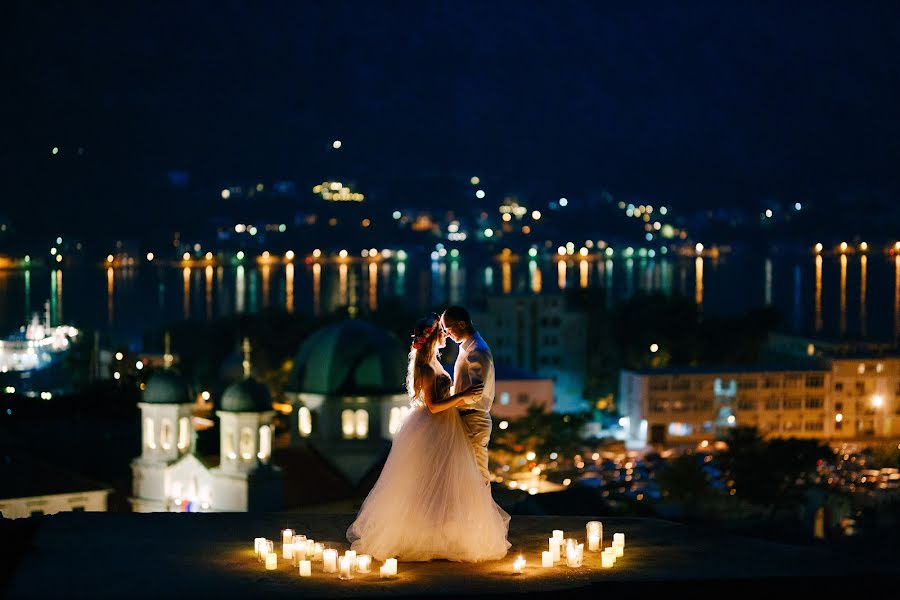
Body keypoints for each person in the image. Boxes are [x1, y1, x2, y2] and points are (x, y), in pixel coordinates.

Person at [346, 313, 510, 562]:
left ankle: (450, 531)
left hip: (445, 423)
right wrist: (461, 395)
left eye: (447, 328)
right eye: (441, 330)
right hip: (435, 424)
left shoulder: (435, 359)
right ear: (433, 336)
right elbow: (433, 405)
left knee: (449, 479)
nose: (446, 333)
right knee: (434, 480)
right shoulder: (425, 365)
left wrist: (458, 398)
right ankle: (436, 533)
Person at [441, 305, 495, 486]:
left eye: (448, 329)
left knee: (478, 477)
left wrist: (449, 399)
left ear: (461, 324)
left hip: (474, 419)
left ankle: (484, 514)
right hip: (468, 418)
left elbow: (474, 394)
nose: (447, 334)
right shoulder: (468, 348)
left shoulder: (476, 350)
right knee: (469, 476)